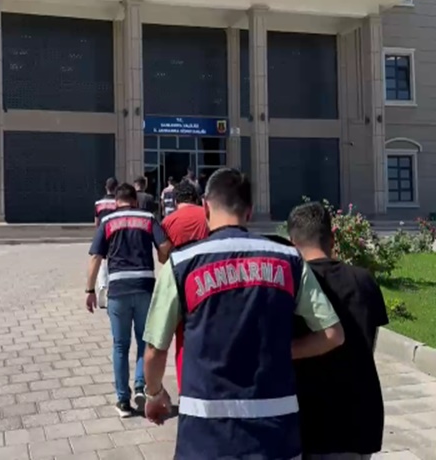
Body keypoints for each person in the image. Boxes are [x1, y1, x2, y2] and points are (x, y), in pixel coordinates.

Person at [142, 168, 345, 460]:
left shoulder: (181, 264)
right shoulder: (289, 259)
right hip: (276, 435)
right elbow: (333, 335)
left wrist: (154, 394)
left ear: (206, 207)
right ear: (249, 212)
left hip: (205, 437)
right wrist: (282, 350)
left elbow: (154, 350)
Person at [287, 202, 389, 460]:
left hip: (312, 422)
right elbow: (370, 342)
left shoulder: (293, 286)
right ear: (332, 238)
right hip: (360, 419)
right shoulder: (364, 280)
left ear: (292, 243)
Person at [85, 183, 172, 418]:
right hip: (144, 286)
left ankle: (123, 401)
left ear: (116, 202)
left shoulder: (108, 220)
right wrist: (162, 258)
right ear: (135, 200)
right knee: (144, 341)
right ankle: (141, 387)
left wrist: (90, 290)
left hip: (118, 289)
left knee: (120, 346)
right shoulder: (147, 218)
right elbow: (165, 245)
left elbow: (95, 257)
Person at [159, 180, 210, 392]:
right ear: (196, 198)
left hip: (182, 282)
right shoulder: (207, 215)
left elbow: (163, 256)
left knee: (183, 336)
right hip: (209, 278)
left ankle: (185, 388)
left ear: (175, 200)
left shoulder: (168, 221)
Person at [94, 177, 119, 308]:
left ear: (106, 187)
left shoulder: (98, 203)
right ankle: (111, 289)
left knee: (102, 263)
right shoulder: (118, 203)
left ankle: (102, 286)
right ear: (116, 188)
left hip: (103, 235)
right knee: (114, 262)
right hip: (115, 235)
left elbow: (96, 223)